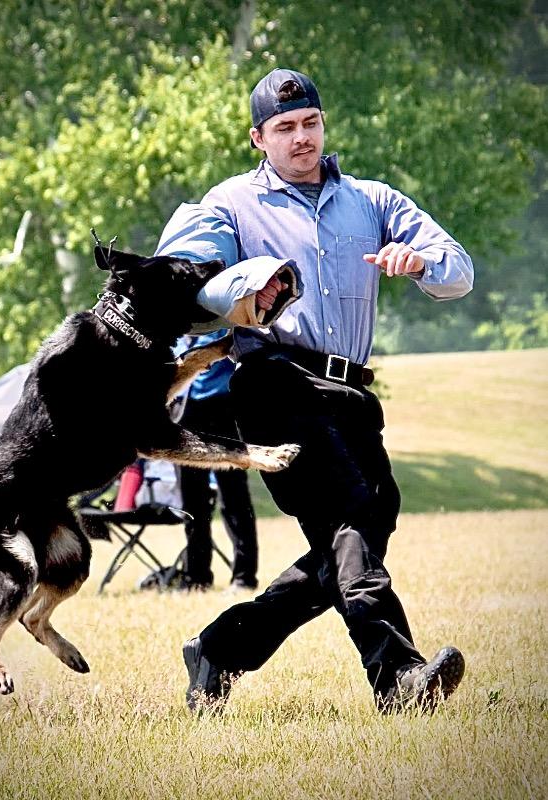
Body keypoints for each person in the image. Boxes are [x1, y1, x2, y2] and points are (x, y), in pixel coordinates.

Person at [155, 68, 473, 713]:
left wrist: (422, 262)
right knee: (350, 520)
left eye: (310, 124)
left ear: (323, 124)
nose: (301, 138)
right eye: (285, 128)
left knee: (363, 529)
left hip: (352, 392)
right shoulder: (229, 205)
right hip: (273, 381)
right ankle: (400, 680)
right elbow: (180, 273)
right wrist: (239, 285)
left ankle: (219, 650)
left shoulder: (373, 200)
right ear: (258, 137)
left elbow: (459, 272)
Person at [177, 330, 259, 592]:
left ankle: (244, 577)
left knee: (234, 499)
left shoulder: (225, 319)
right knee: (192, 502)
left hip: (223, 410)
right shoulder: (176, 328)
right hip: (184, 415)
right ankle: (196, 577)